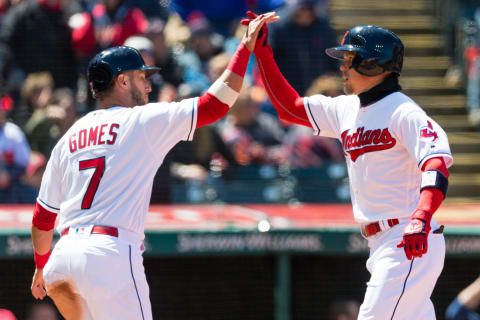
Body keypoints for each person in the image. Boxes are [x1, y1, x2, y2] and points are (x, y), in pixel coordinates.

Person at [29, 12, 279, 319]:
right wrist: (243, 49)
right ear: (122, 80)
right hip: (109, 254)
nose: (149, 85)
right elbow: (216, 104)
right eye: (142, 77)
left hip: (62, 258)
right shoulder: (142, 121)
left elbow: (42, 217)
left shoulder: (69, 137)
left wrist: (41, 267)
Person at [244, 13, 453, 319]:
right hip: (382, 242)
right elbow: (290, 108)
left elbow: (435, 164)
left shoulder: (404, 112)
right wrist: (263, 54)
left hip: (407, 240)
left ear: (372, 63)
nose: (342, 66)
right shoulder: (346, 108)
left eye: (350, 58)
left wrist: (421, 217)